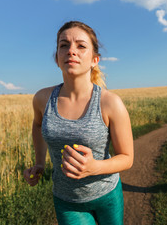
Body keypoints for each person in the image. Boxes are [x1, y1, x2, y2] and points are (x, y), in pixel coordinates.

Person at [23, 21, 134, 224]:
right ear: (57, 58)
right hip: (67, 201)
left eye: (81, 46)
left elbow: (127, 158)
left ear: (94, 60)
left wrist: (94, 167)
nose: (71, 51)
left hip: (107, 196)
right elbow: (38, 125)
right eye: (63, 45)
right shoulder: (42, 99)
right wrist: (39, 163)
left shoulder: (110, 102)